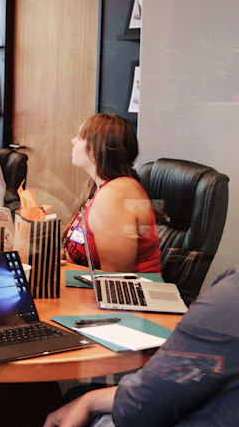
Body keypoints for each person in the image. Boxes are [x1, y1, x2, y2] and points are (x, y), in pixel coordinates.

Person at [44, 266, 239, 427]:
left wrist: (88, 401)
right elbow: (192, 374)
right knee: (79, 396)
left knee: (74, 398)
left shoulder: (232, 297)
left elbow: (145, 405)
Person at [62, 113, 162, 273]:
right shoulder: (100, 187)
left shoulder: (115, 195)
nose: (73, 141)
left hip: (129, 294)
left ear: (96, 150)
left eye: (80, 138)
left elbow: (115, 280)